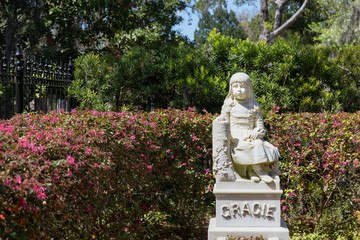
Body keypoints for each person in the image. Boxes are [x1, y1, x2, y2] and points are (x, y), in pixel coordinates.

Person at [218, 72, 279, 183]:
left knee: (267, 147)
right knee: (256, 145)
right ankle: (259, 171)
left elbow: (260, 127)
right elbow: (223, 121)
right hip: (235, 138)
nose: (239, 90)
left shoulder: (254, 106)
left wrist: (257, 132)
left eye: (242, 87)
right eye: (235, 87)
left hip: (251, 136)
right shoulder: (228, 105)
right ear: (231, 89)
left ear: (249, 89)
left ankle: (252, 171)